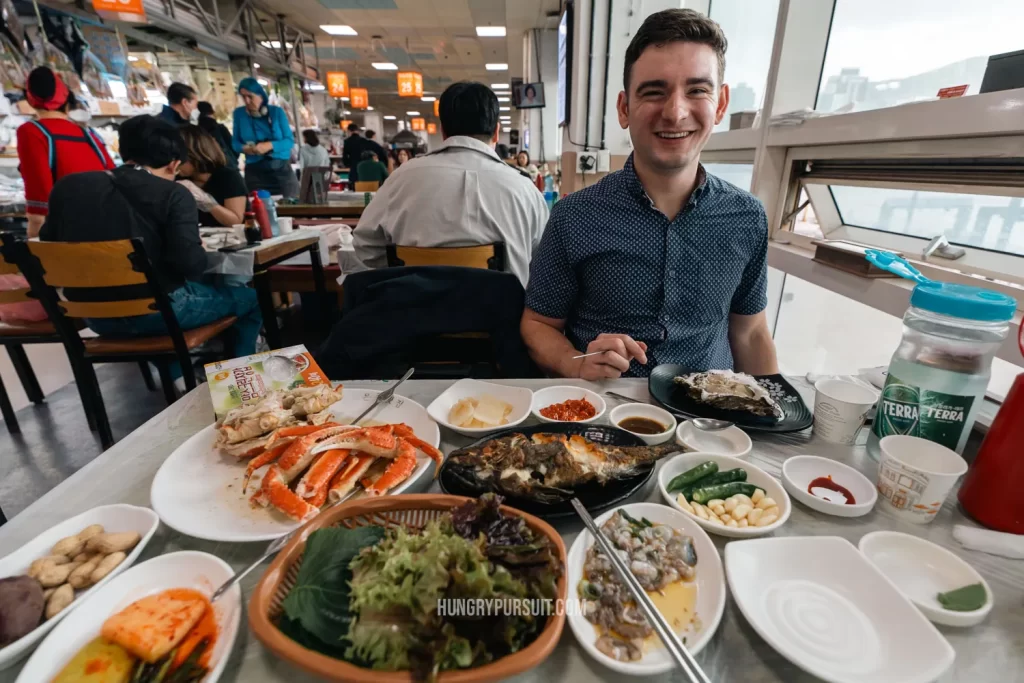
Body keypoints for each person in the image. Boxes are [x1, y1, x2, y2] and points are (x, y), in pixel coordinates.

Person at [521, 9, 779, 380]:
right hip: (602, 415)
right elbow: (537, 324)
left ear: (720, 104)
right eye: (654, 92)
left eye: (697, 90)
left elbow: (751, 332)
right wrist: (573, 363)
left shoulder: (747, 216)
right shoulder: (573, 216)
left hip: (707, 422)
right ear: (625, 109)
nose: (675, 112)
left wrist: (771, 419)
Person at [41, 115, 262, 360]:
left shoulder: (67, 187)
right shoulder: (174, 194)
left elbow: (47, 244)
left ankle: (179, 378)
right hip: (158, 312)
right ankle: (244, 378)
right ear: (173, 164)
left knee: (155, 313)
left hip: (92, 316)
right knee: (251, 299)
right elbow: (190, 265)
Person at [352, 81, 548, 287]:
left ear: (443, 130)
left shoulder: (401, 178)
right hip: (502, 317)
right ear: (497, 132)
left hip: (413, 315)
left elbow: (364, 245)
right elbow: (545, 261)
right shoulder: (524, 188)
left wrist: (402, 269)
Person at [16, 67, 115, 239]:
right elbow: (115, 174)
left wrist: (32, 237)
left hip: (70, 232)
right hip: (109, 227)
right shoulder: (88, 134)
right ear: (67, 102)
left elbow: (39, 194)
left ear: (30, 100)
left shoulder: (31, 132)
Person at [232, 77, 298, 198]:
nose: (247, 101)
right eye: (243, 97)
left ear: (260, 95)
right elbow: (235, 143)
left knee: (291, 207)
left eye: (250, 96)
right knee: (259, 210)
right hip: (255, 173)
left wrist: (270, 145)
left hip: (281, 171)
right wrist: (245, 148)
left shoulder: (276, 112)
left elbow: (289, 141)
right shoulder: (239, 114)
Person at [177, 126, 247, 227]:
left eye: (179, 159)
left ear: (195, 155)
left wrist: (205, 200)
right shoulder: (181, 179)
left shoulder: (228, 176)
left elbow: (235, 221)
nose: (174, 164)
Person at [196, 101, 237, 169]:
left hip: (207, 168)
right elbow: (233, 147)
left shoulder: (196, 131)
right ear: (212, 112)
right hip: (228, 165)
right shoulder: (220, 128)